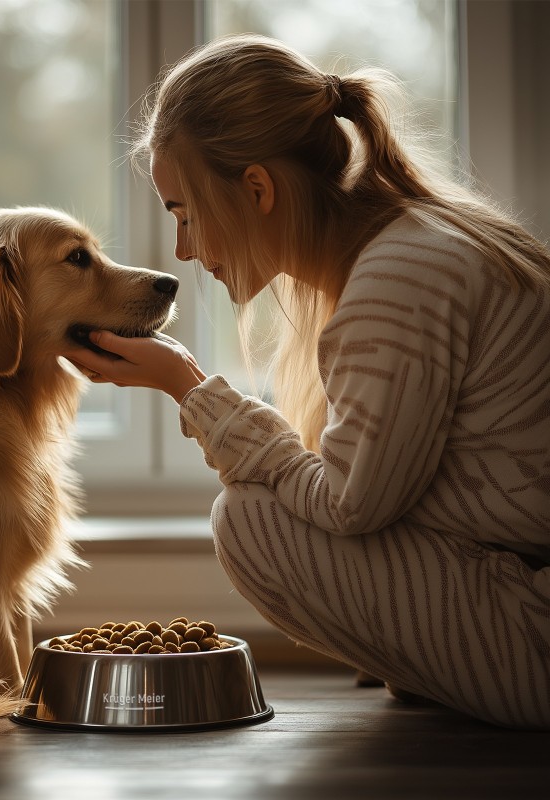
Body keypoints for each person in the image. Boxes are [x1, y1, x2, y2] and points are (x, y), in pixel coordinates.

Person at [63, 34, 550, 729]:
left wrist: (191, 389)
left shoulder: (396, 281)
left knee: (248, 522)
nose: (184, 252)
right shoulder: (415, 241)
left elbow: (351, 505)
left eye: (187, 215)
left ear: (257, 188)